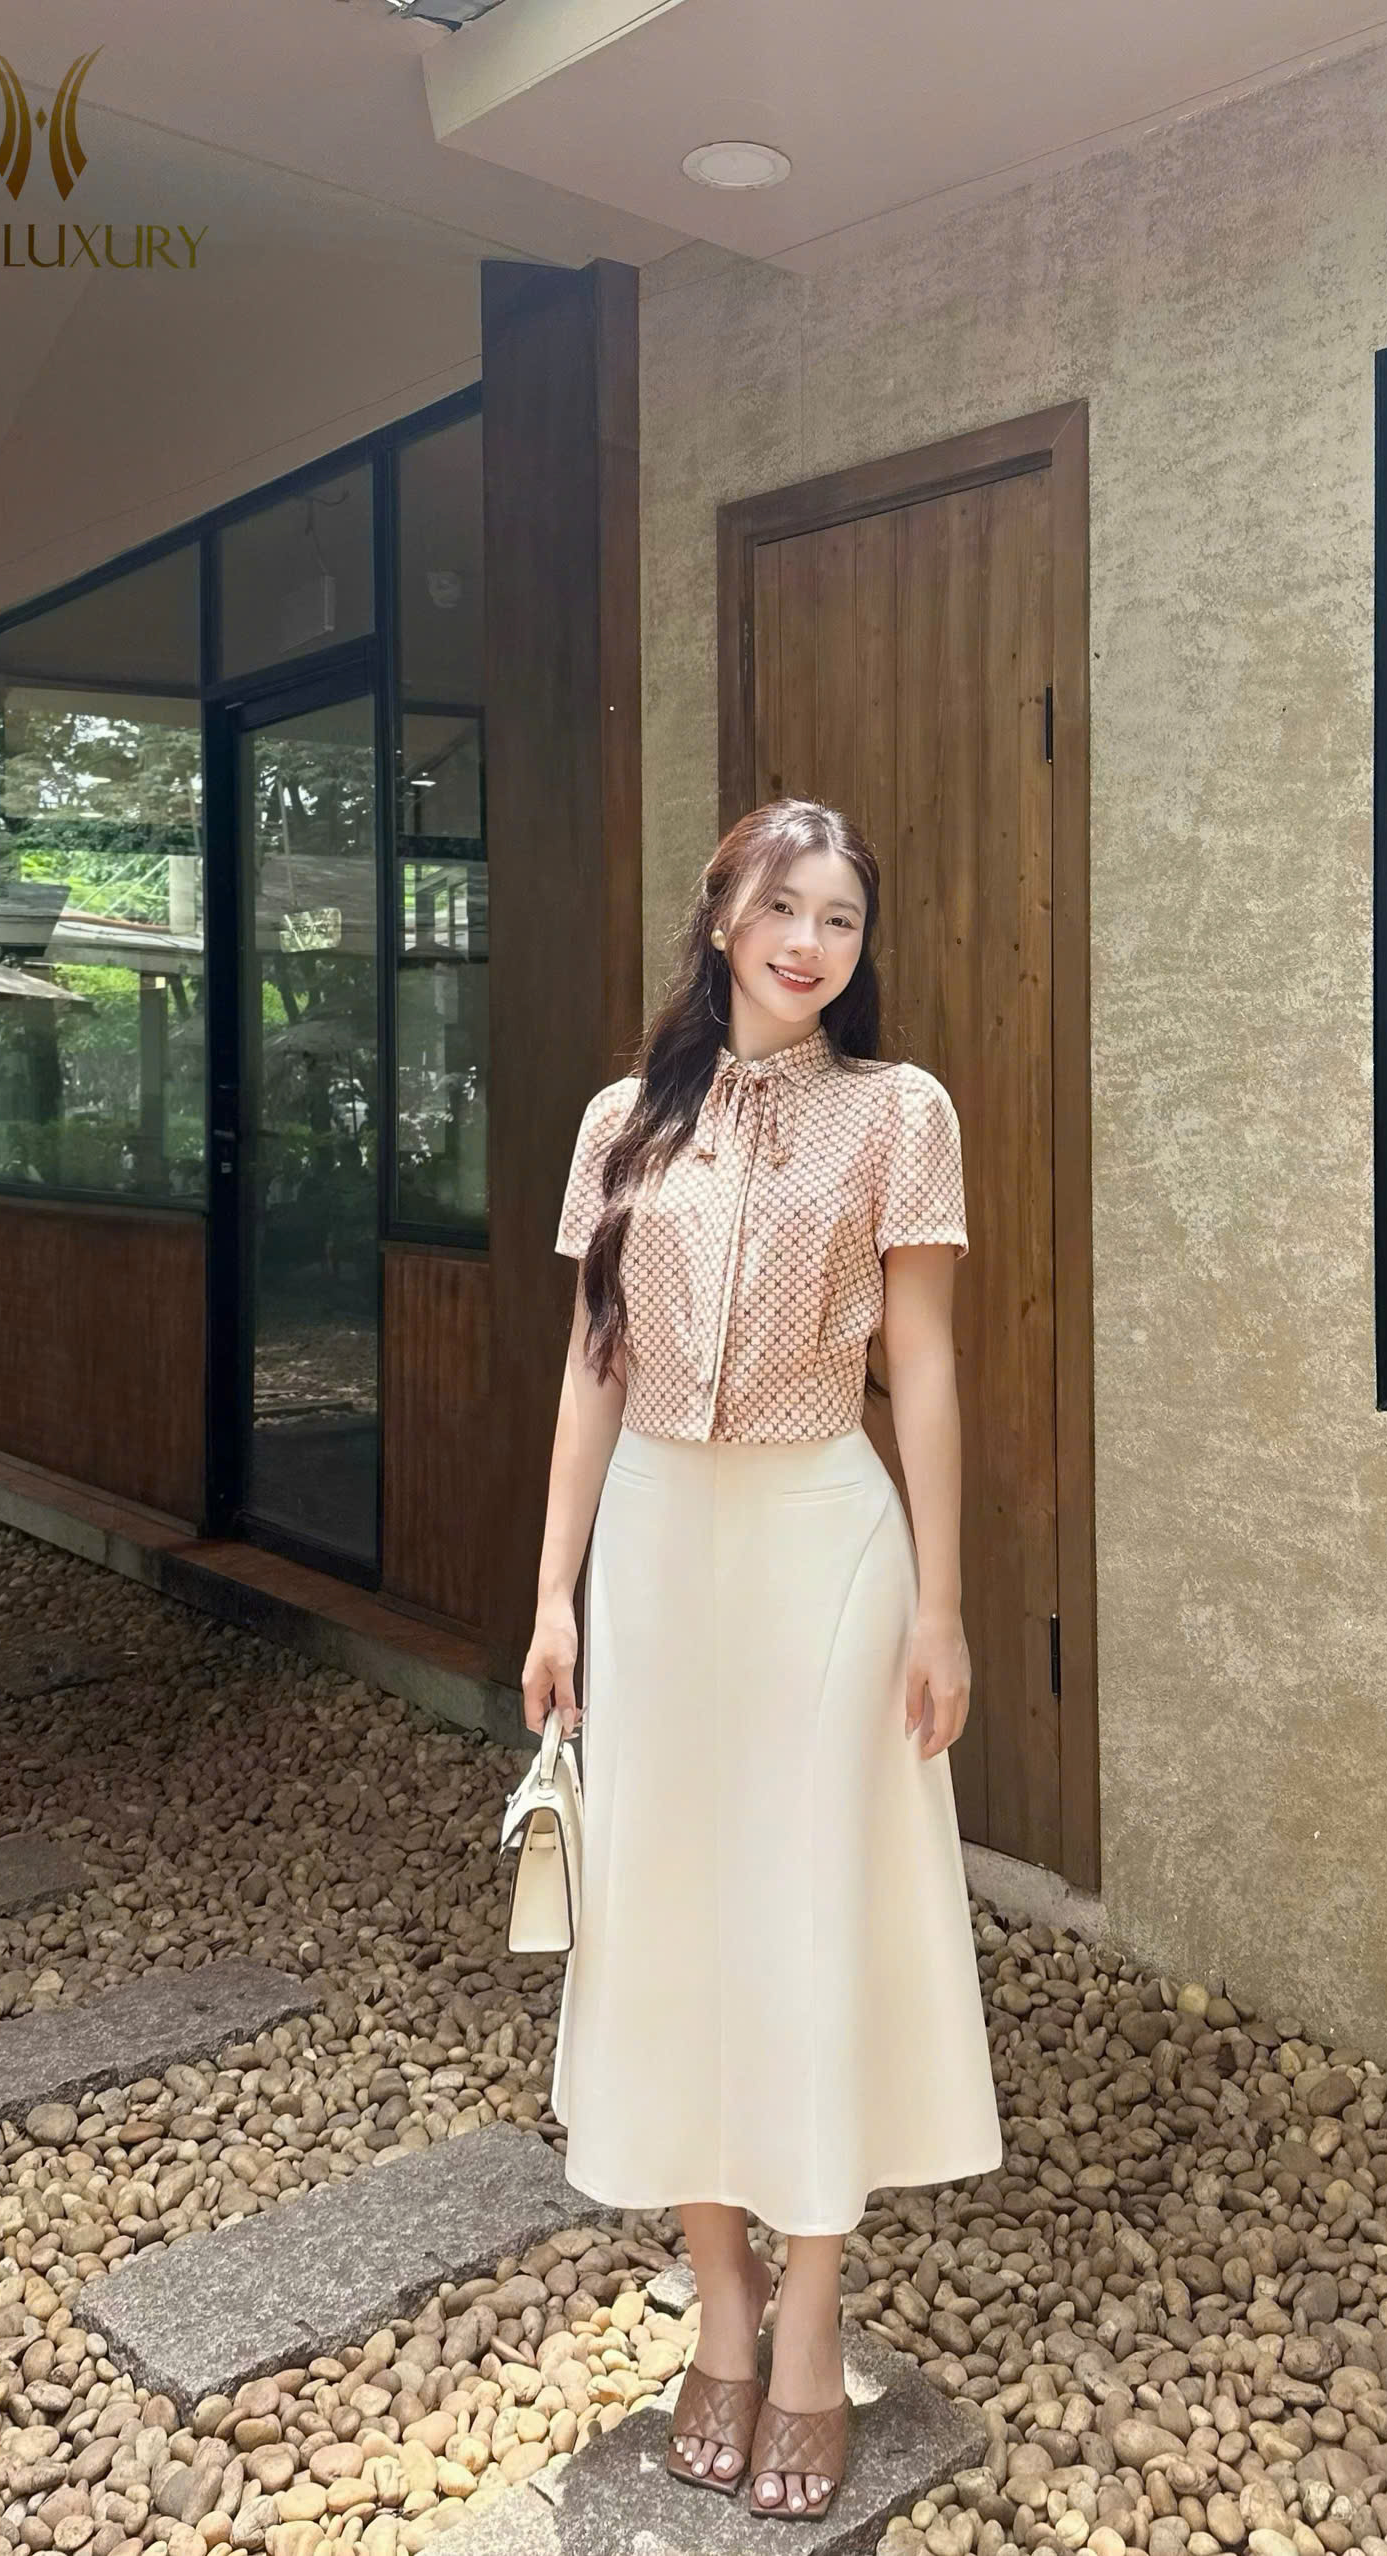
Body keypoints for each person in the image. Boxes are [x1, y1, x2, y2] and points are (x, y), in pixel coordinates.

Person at [521, 798, 1003, 2523]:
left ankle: (809, 2317)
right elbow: (593, 1363)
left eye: (841, 919)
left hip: (823, 1540)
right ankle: (716, 2303)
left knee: (809, 1916)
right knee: (666, 1917)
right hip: (653, 1546)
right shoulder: (620, 1123)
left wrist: (941, 1602)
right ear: (722, 916)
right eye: (783, 907)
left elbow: (923, 1366)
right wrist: (554, 1594)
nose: (810, 943)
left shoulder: (900, 1111)